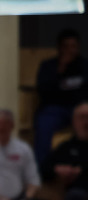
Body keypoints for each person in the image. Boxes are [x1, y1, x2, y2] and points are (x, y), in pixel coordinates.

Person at [35, 29, 88, 167]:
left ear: (78, 47)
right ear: (59, 48)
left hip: (79, 108)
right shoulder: (48, 66)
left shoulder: (85, 66)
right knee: (44, 122)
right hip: (55, 109)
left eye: (73, 46)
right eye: (66, 46)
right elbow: (43, 91)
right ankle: (43, 167)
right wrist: (60, 70)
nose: (70, 50)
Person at [47, 102, 88, 200]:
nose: (86, 122)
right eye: (82, 117)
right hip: (78, 195)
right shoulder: (65, 147)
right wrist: (57, 170)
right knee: (75, 196)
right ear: (74, 121)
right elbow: (44, 169)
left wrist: (81, 171)